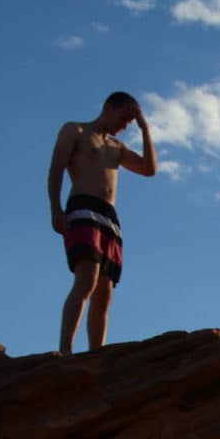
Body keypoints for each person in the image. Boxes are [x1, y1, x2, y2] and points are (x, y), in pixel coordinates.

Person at [48, 92, 156, 354]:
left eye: (130, 122)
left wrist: (145, 130)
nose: (125, 125)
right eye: (124, 118)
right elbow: (56, 168)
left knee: (105, 292)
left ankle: (97, 353)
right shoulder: (75, 130)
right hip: (82, 207)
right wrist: (56, 209)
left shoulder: (116, 148)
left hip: (109, 217)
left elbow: (148, 169)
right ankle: (65, 350)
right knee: (86, 279)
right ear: (108, 108)